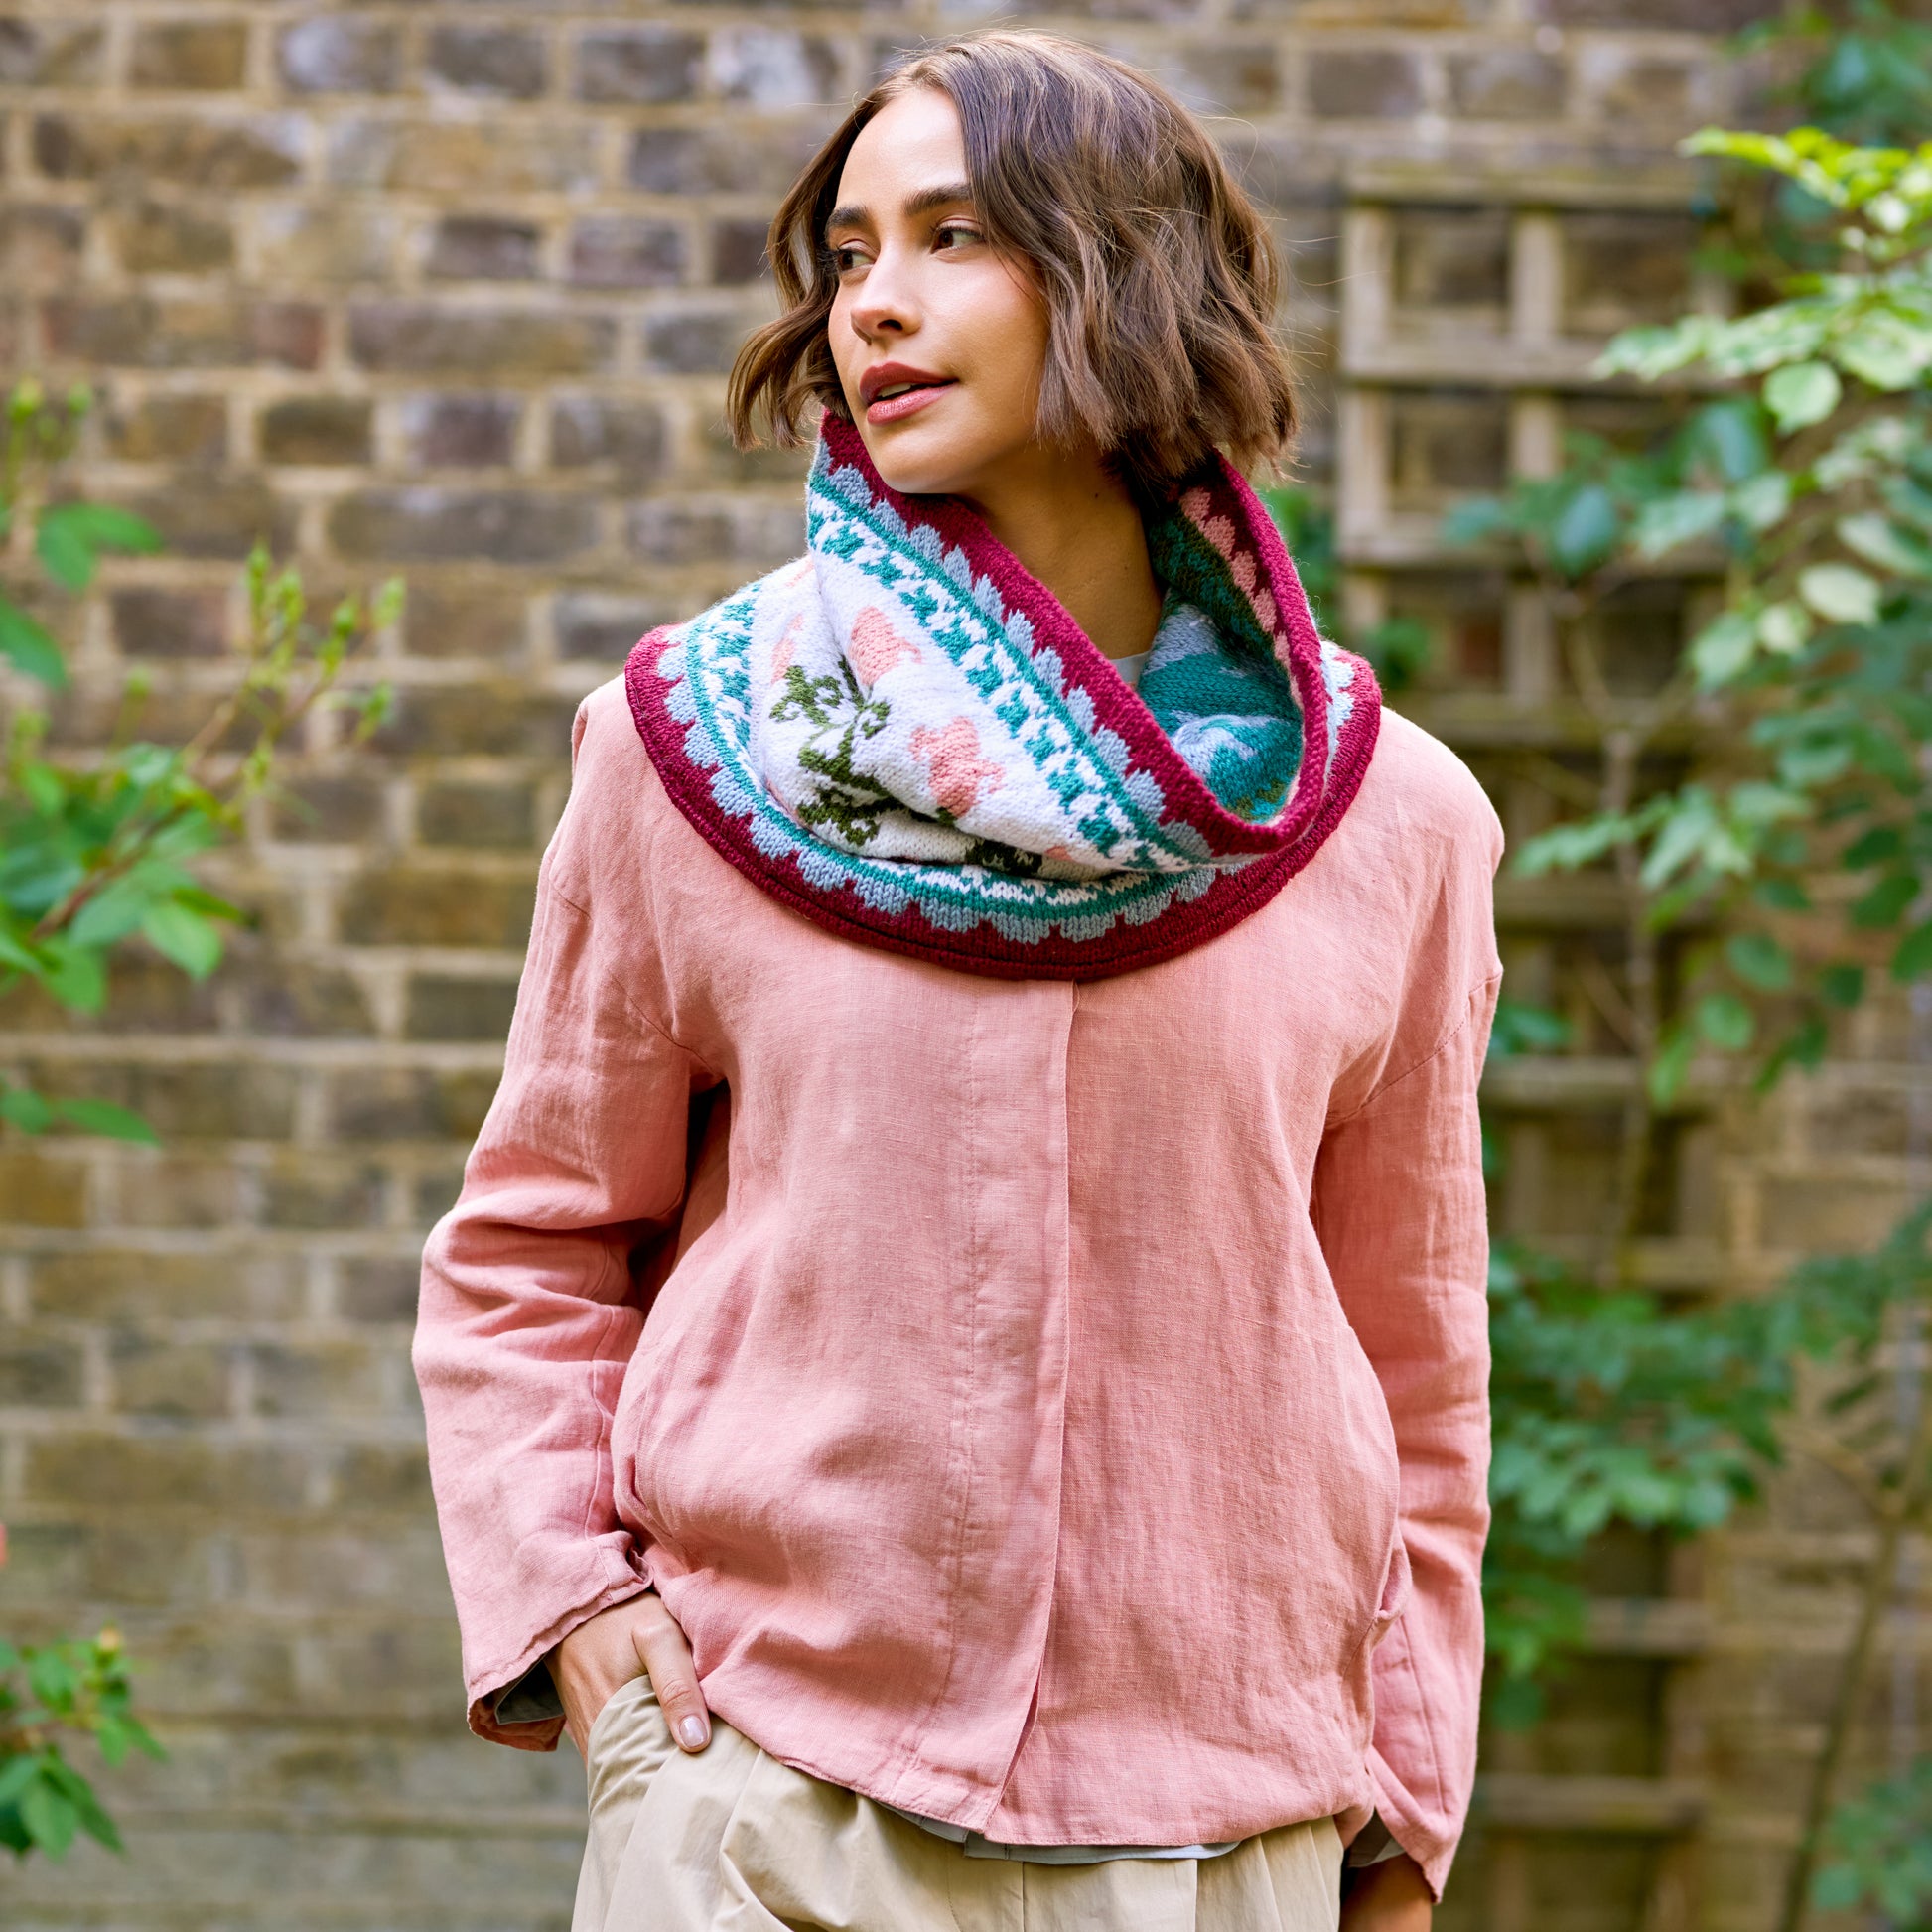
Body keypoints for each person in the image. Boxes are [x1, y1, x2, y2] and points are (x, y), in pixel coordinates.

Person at [414, 30, 1502, 1932]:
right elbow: (533, 1248)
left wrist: (1400, 1828)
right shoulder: (689, 755)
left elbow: (1413, 1363)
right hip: (769, 1805)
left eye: (952, 237)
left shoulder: (1388, 822)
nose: (873, 305)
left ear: (1124, 283)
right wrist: (575, 1606)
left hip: (1219, 1834)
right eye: (848, 254)